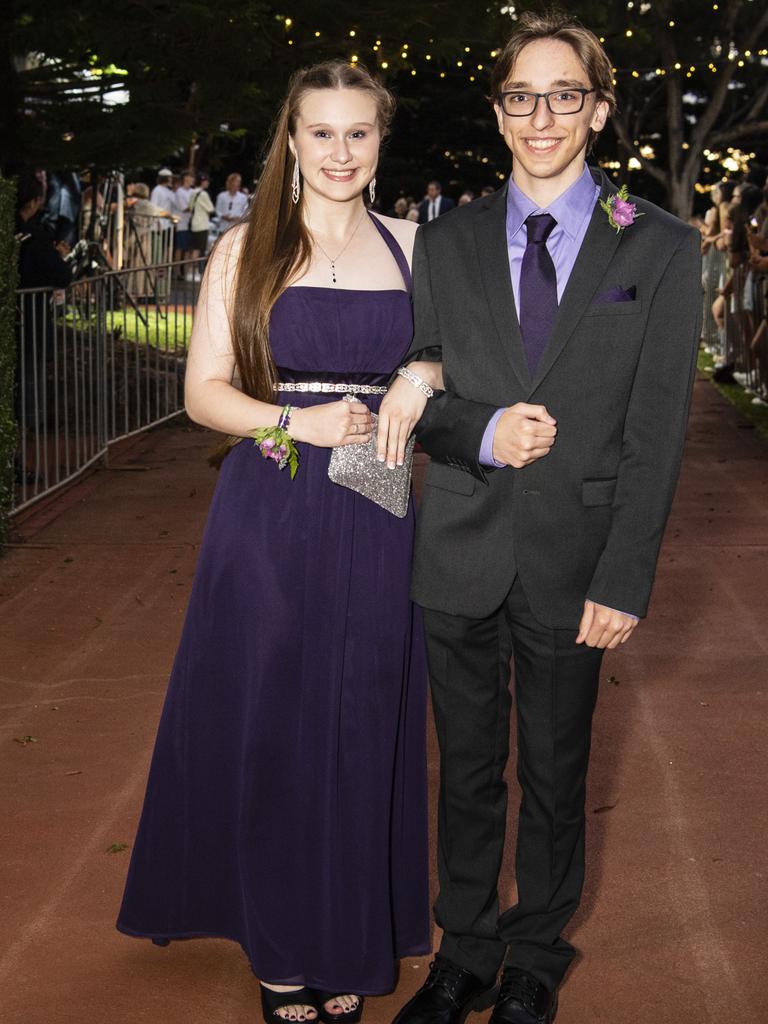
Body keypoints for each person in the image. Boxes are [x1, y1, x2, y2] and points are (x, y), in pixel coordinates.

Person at [384, 11, 702, 1024]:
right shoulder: (449, 238)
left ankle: (535, 955)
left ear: (599, 110)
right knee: (466, 773)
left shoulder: (658, 245)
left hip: (577, 561)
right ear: (498, 111)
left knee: (558, 776)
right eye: (522, 95)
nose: (542, 115)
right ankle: (464, 950)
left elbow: (657, 432)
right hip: (460, 552)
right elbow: (418, 393)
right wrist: (480, 430)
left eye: (566, 94)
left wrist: (625, 576)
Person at [116, 60, 438, 1024]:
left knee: (362, 710)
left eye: (359, 133)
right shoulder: (246, 248)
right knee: (275, 713)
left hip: (379, 502)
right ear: (291, 141)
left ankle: (347, 928)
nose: (341, 152)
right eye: (321, 133)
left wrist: (424, 367)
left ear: (381, 140)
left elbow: (462, 348)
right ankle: (283, 944)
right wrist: (292, 423)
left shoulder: (420, 246)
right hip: (272, 503)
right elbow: (202, 394)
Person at [187, 173, 215, 280]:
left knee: (194, 248)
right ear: (202, 182)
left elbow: (190, 207)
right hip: (202, 224)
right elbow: (211, 208)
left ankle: (190, 272)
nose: (207, 183)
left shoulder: (193, 192)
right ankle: (192, 273)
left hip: (194, 223)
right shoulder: (203, 194)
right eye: (206, 181)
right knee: (198, 249)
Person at [172, 170, 195, 271]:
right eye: (190, 177)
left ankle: (185, 271)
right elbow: (184, 208)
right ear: (185, 179)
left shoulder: (193, 192)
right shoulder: (179, 192)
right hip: (182, 224)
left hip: (191, 223)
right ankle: (177, 270)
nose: (192, 180)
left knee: (188, 249)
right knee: (180, 248)